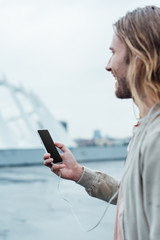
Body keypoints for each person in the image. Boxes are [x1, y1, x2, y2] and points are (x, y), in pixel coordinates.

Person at [43, 5, 160, 240]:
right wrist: (78, 173)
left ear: (139, 57)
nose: (108, 66)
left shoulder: (156, 138)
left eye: (113, 52)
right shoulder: (145, 129)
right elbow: (134, 198)